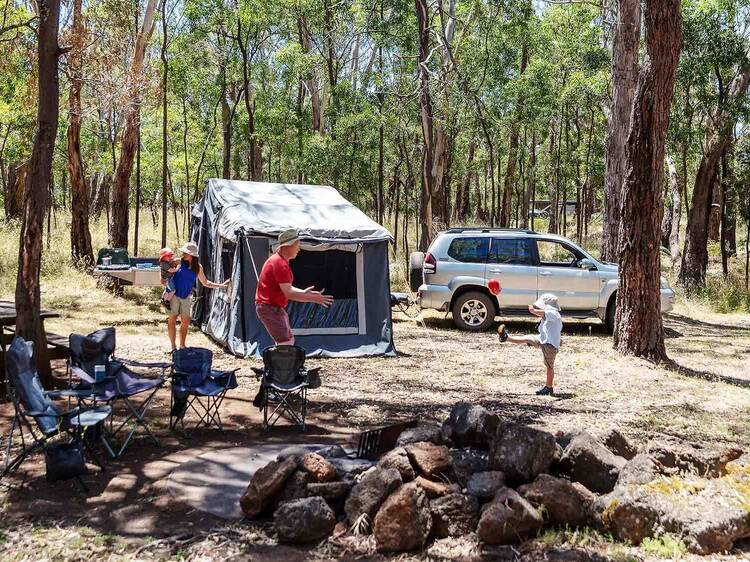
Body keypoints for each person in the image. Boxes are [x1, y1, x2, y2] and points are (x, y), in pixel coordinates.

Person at [255, 228, 333, 345]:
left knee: (288, 339)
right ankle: (280, 363)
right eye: (297, 244)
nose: (299, 248)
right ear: (288, 246)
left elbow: (287, 288)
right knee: (285, 341)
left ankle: (282, 362)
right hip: (269, 308)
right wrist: (312, 298)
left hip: (273, 308)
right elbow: (289, 292)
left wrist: (304, 293)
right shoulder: (279, 263)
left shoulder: (281, 261)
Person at [167, 242, 229, 352]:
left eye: (185, 253)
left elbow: (205, 283)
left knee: (185, 321)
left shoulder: (198, 267)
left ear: (192, 255)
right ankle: (173, 346)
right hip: (174, 295)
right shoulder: (179, 262)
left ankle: (182, 346)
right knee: (172, 319)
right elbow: (165, 268)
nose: (183, 254)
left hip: (186, 297)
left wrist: (221, 285)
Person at [497, 293, 562, 396]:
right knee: (526, 338)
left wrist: (533, 311)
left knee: (549, 366)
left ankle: (549, 387)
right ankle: (506, 337)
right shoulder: (551, 314)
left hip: (550, 345)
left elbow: (544, 313)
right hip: (542, 339)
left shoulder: (554, 313)